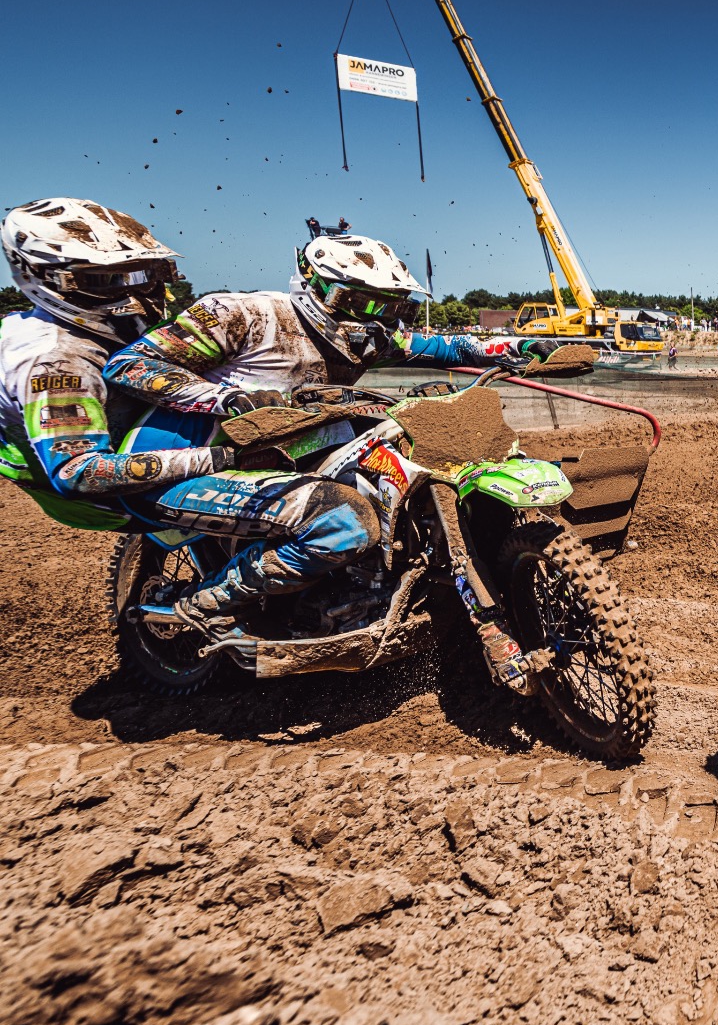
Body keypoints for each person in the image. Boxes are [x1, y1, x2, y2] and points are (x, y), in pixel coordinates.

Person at [103, 230, 564, 689]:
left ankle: (364, 591)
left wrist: (519, 348)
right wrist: (227, 398)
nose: (374, 317)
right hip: (188, 461)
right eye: (361, 301)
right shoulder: (243, 314)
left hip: (283, 454)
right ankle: (202, 605)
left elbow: (447, 346)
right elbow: (129, 365)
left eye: (390, 306)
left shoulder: (371, 337)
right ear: (313, 284)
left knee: (387, 471)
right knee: (344, 524)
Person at [0, 199, 218, 528]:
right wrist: (218, 459)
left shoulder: (95, 327)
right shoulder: (56, 359)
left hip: (124, 446)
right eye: (104, 280)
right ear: (48, 279)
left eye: (144, 275)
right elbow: (79, 475)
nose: (131, 293)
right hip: (99, 499)